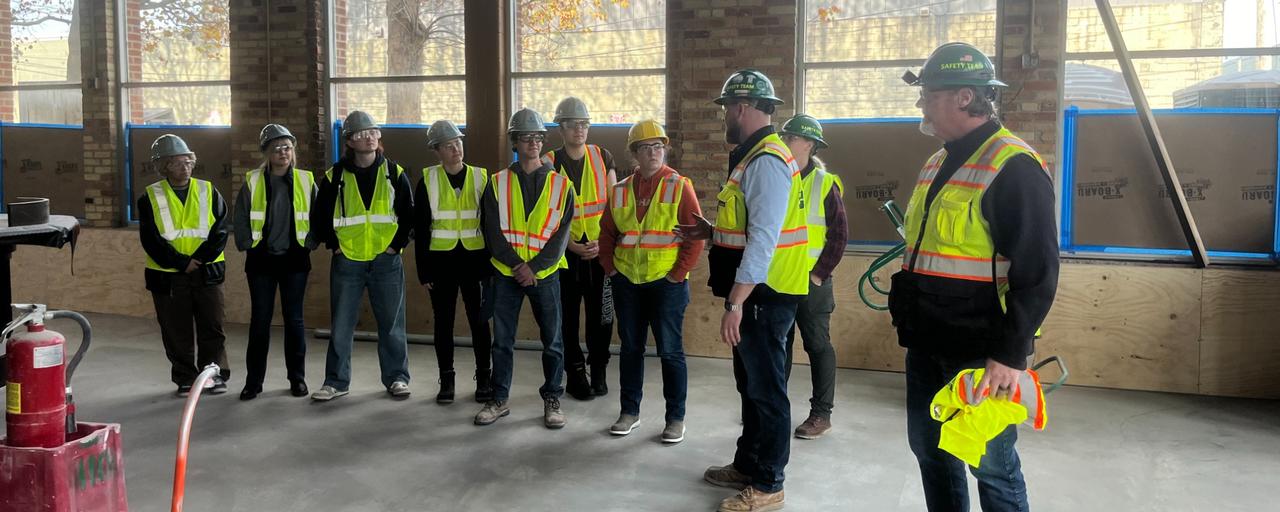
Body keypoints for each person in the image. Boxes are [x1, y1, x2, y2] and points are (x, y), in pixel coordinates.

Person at [890, 42, 1059, 512]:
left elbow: (1038, 272)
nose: (921, 102)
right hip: (927, 341)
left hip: (981, 351)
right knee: (930, 450)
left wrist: (1009, 355)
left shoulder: (1013, 166)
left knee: (991, 464)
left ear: (964, 97)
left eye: (928, 93)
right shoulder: (939, 161)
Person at [675, 69, 809, 512]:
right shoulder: (753, 156)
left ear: (746, 107)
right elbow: (747, 228)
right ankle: (748, 463)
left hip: (764, 297)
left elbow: (765, 240)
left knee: (767, 389)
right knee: (751, 385)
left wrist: (737, 301)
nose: (726, 116)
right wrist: (710, 232)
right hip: (758, 294)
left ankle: (769, 483)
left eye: (729, 107)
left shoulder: (767, 160)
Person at [597, 119, 703, 444]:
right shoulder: (618, 191)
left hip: (666, 284)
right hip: (627, 282)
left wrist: (677, 274)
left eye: (659, 146)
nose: (654, 152)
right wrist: (611, 269)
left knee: (670, 352)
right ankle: (629, 412)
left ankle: (675, 419)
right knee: (630, 350)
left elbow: (695, 236)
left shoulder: (678, 185)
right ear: (634, 155)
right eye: (646, 148)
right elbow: (607, 234)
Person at [474, 108, 575, 429]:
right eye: (526, 137)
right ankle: (499, 398)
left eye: (538, 137)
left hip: (545, 276)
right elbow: (491, 231)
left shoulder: (562, 185)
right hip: (507, 274)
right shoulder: (497, 183)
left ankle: (552, 398)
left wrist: (533, 268)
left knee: (553, 341)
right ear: (515, 142)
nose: (533, 143)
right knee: (502, 341)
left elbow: (561, 235)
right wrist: (518, 265)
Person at [310, 110, 415, 402]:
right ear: (350, 142)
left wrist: (396, 246)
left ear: (379, 137)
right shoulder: (334, 177)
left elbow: (408, 214)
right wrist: (336, 246)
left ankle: (396, 378)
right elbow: (320, 219)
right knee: (341, 325)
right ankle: (336, 381)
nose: (369, 137)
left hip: (386, 260)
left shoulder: (394, 173)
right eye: (361, 134)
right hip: (348, 260)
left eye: (373, 132)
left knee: (392, 324)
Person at [137, 134, 231, 396]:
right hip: (167, 276)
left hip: (207, 271)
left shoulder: (208, 190)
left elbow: (220, 230)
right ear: (164, 165)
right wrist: (181, 263)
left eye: (188, 160)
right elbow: (151, 239)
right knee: (175, 330)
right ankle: (185, 377)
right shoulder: (150, 197)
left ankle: (213, 373)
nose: (185, 166)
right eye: (178, 162)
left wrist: (198, 260)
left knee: (212, 326)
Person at [232, 124, 317, 400]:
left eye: (288, 148)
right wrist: (247, 245)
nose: (284, 153)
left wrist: (310, 242)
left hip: (294, 259)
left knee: (294, 321)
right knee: (260, 322)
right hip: (261, 261)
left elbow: (317, 214)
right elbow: (241, 217)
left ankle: (298, 379)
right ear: (267, 153)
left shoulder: (305, 180)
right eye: (278, 148)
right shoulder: (253, 181)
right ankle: (253, 382)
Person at [542, 96, 618, 400]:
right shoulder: (549, 162)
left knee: (602, 317)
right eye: (573, 124)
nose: (580, 129)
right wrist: (569, 246)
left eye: (584, 124)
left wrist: (605, 241)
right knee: (568, 318)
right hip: (566, 254)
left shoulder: (603, 157)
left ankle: (598, 369)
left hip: (600, 251)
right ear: (561, 127)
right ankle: (574, 373)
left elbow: (616, 206)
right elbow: (543, 214)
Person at [413, 119, 494, 405]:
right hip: (441, 263)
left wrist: (490, 266)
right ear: (436, 150)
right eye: (448, 146)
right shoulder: (428, 181)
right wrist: (423, 270)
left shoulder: (482, 178)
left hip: (475, 261)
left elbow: (491, 225)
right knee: (443, 323)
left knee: (479, 322)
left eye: (458, 143)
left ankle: (484, 376)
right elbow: (421, 229)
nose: (456, 149)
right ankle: (446, 379)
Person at [778, 114, 848, 439]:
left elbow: (838, 235)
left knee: (818, 345)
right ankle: (774, 408)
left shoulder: (824, 182)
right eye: (785, 136)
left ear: (808, 144)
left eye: (791, 138)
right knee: (780, 344)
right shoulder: (777, 177)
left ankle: (821, 414)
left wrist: (820, 274)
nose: (784, 141)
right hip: (779, 278)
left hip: (811, 281)